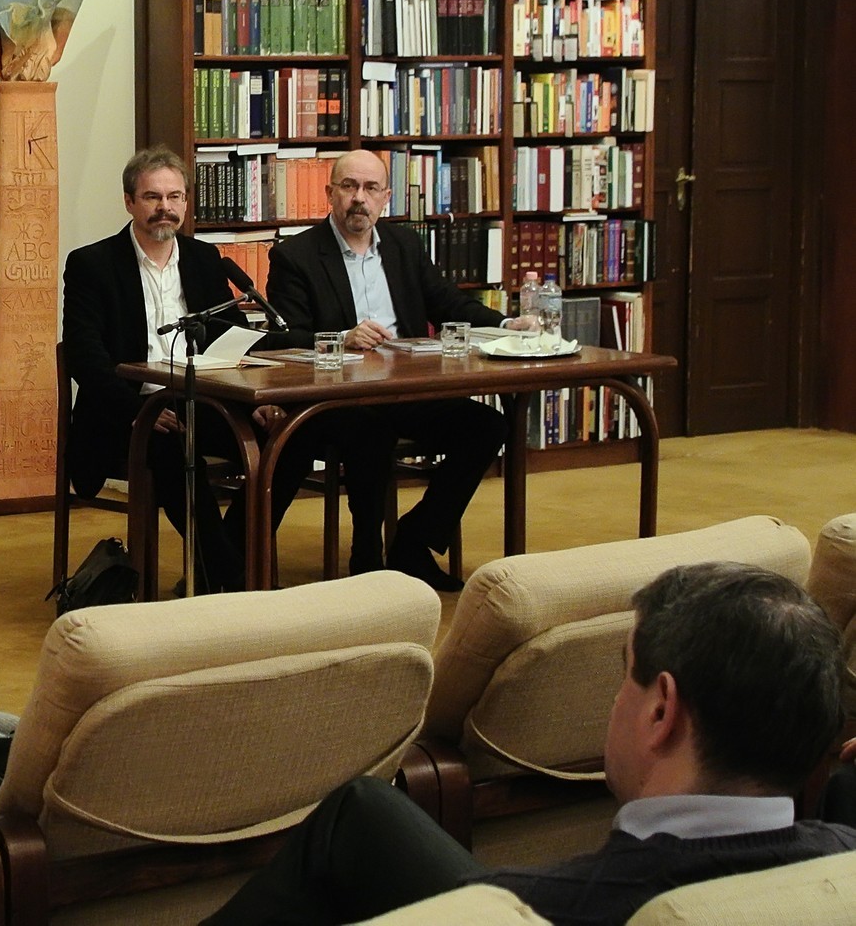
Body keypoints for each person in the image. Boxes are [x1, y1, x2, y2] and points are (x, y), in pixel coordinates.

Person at [204, 561, 856, 926]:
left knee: (358, 811)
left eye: (623, 674)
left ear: (661, 711)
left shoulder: (520, 907)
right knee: (366, 812)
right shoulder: (842, 855)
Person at [63, 147, 376, 593]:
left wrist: (257, 399)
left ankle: (228, 561)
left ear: (186, 201)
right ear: (129, 201)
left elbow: (230, 339)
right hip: (128, 411)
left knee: (291, 433)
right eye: (152, 197)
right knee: (175, 447)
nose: (165, 207)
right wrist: (136, 409)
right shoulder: (92, 264)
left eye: (174, 196)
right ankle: (228, 576)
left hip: (203, 400)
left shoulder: (203, 259)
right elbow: (85, 355)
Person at [265, 149, 537, 591]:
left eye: (370, 188)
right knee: (369, 432)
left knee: (487, 426)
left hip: (406, 388)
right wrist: (341, 337)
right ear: (330, 193)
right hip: (335, 399)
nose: (359, 198)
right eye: (349, 186)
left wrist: (507, 324)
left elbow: (448, 303)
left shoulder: (404, 245)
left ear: (386, 197)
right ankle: (367, 558)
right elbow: (285, 336)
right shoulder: (295, 255)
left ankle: (415, 539)